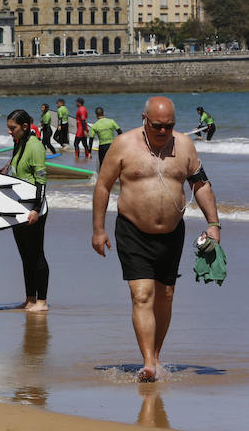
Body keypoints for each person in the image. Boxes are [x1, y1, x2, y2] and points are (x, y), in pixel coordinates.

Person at [92, 97, 221, 382]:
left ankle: (155, 355)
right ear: (144, 119)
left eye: (169, 126)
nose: (164, 131)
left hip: (172, 233)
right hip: (133, 230)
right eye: (158, 126)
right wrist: (98, 229)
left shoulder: (184, 145)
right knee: (142, 295)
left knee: (165, 296)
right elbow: (103, 185)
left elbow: (199, 184)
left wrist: (213, 223)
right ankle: (149, 363)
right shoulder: (124, 144)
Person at [4, 109, 49, 312]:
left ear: (24, 127)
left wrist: (36, 210)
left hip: (33, 209)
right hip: (18, 208)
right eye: (8, 128)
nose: (10, 132)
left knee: (36, 254)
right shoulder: (19, 144)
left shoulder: (35, 146)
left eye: (12, 128)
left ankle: (42, 301)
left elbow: (41, 181)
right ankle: (30, 299)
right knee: (25, 256)